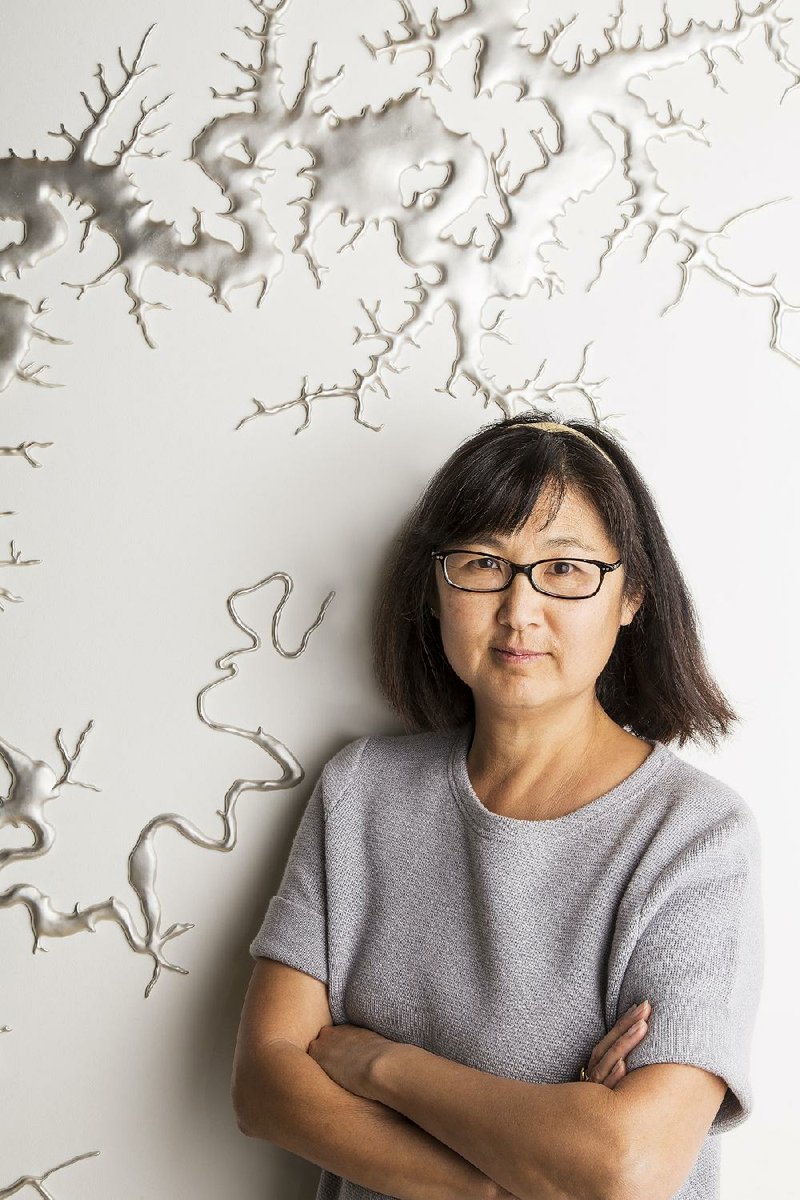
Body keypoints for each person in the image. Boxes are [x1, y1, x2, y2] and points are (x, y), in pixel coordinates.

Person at [232, 412, 764, 1200]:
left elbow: (628, 1168)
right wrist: (505, 1180)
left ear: (632, 597)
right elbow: (265, 1086)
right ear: (437, 586)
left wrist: (379, 1064)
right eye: (484, 564)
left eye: (566, 570)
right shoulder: (360, 791)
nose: (520, 611)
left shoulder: (696, 835)